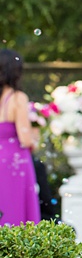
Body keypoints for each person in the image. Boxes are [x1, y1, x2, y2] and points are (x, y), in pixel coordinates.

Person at [0, 49, 39, 228]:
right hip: (14, 160)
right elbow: (25, 139)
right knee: (16, 209)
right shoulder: (17, 98)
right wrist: (35, 137)